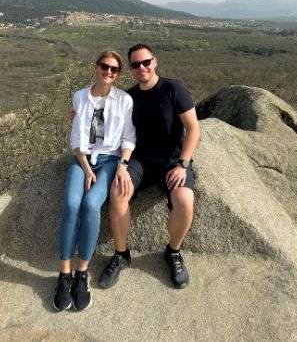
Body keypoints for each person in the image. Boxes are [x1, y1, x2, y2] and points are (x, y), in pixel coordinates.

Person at [98, 43, 200, 290]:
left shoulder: (173, 88)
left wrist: (183, 164)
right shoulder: (129, 97)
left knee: (185, 200)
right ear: (131, 69)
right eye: (135, 64)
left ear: (155, 61)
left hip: (172, 162)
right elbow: (105, 117)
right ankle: (121, 254)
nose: (141, 67)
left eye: (146, 62)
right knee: (117, 193)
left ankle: (173, 252)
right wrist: (79, 113)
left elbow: (194, 129)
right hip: (140, 161)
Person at [53, 51, 136, 312]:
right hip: (83, 159)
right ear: (96, 67)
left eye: (114, 70)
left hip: (110, 160)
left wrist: (122, 166)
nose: (108, 73)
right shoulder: (80, 96)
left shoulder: (124, 100)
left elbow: (128, 139)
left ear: (118, 74)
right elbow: (76, 140)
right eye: (104, 67)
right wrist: (88, 169)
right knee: (71, 203)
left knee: (91, 205)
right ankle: (64, 273)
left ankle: (82, 273)